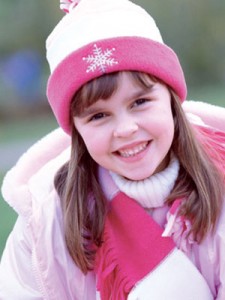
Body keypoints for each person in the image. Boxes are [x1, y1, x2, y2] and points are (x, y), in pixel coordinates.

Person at [0, 0, 225, 299]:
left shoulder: (220, 179)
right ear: (76, 129)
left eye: (140, 102)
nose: (125, 129)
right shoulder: (45, 222)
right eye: (98, 116)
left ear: (171, 99)